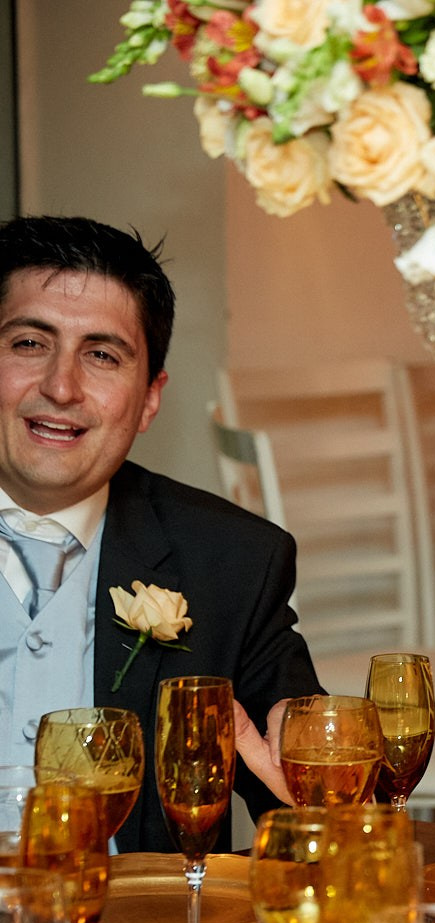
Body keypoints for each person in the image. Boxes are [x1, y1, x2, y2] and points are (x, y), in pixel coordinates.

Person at [0, 215, 318, 851]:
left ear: (149, 399)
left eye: (102, 356)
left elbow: (314, 812)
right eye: (30, 343)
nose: (60, 387)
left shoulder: (230, 561)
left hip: (139, 914)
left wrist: (313, 790)